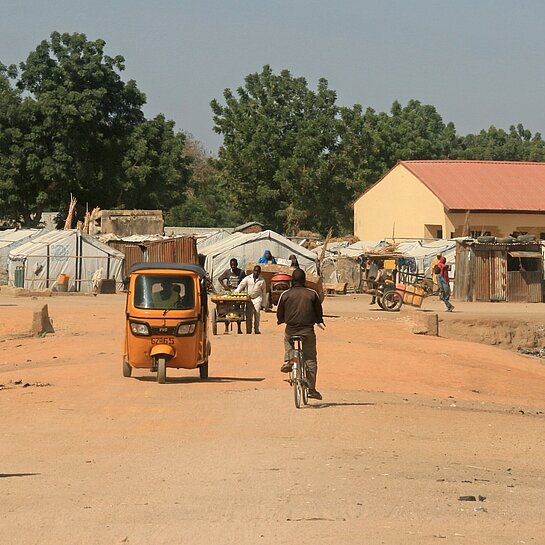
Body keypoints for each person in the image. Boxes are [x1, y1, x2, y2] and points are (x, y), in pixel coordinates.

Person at [277, 268, 325, 400]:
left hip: (291, 330)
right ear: (304, 280)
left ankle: (288, 360)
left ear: (292, 280)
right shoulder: (312, 293)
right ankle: (311, 389)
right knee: (310, 359)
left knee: (287, 340)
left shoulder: (285, 294)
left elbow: (279, 313)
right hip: (307, 331)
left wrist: (281, 320)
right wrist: (319, 321)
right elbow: (318, 312)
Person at [235, 265, 267, 334]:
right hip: (249, 298)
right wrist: (236, 293)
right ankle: (248, 330)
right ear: (253, 271)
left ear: (260, 272)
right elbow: (241, 285)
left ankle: (256, 329)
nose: (256, 272)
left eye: (258, 271)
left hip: (257, 298)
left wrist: (264, 304)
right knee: (248, 315)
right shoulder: (248, 278)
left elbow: (264, 292)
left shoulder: (262, 281)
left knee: (257, 313)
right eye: (255, 271)